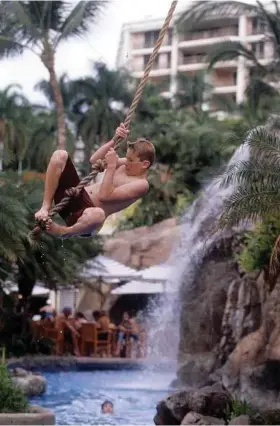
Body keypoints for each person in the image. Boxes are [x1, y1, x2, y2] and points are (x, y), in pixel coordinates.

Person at [35, 123, 155, 238]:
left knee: (99, 214)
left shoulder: (141, 185)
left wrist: (112, 166)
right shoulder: (126, 165)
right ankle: (45, 207)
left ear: (144, 164)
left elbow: (104, 196)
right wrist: (114, 140)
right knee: (60, 155)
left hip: (86, 218)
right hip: (74, 197)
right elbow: (94, 160)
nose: (126, 161)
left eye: (130, 160)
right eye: (127, 158)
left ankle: (64, 232)